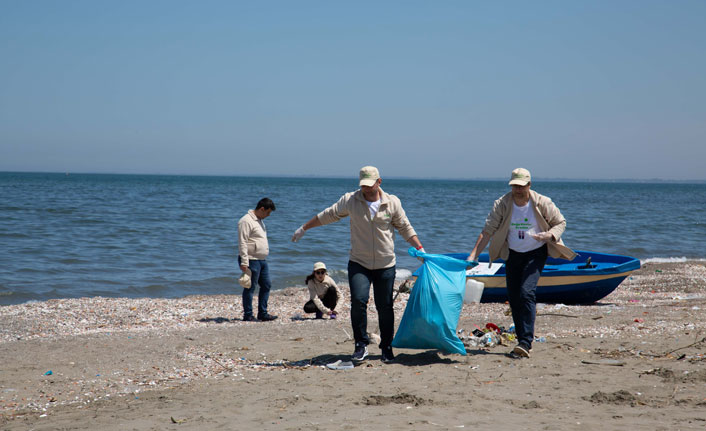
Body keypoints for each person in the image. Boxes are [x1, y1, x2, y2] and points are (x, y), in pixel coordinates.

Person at [291, 166, 424, 363]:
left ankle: (386, 346)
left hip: (385, 264)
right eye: (363, 186)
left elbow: (405, 227)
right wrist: (304, 228)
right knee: (359, 302)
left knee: (385, 306)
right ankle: (360, 345)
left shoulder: (392, 203)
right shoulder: (351, 200)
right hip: (359, 263)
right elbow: (328, 214)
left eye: (370, 185)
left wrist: (420, 249)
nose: (367, 190)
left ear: (379, 182)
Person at [466, 168, 576, 358]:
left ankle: (526, 341)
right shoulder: (502, 203)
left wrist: (549, 235)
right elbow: (488, 230)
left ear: (529, 185)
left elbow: (561, 222)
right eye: (514, 186)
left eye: (521, 186)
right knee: (514, 297)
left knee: (527, 292)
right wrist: (474, 254)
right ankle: (521, 341)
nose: (517, 190)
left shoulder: (542, 202)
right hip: (513, 253)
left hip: (536, 252)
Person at [238, 198, 278, 322]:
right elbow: (242, 242)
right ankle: (248, 315)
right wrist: (244, 262)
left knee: (266, 285)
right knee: (250, 287)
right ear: (262, 209)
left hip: (261, 259)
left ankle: (262, 313)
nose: (268, 215)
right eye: (268, 212)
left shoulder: (260, 220)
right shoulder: (246, 220)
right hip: (251, 259)